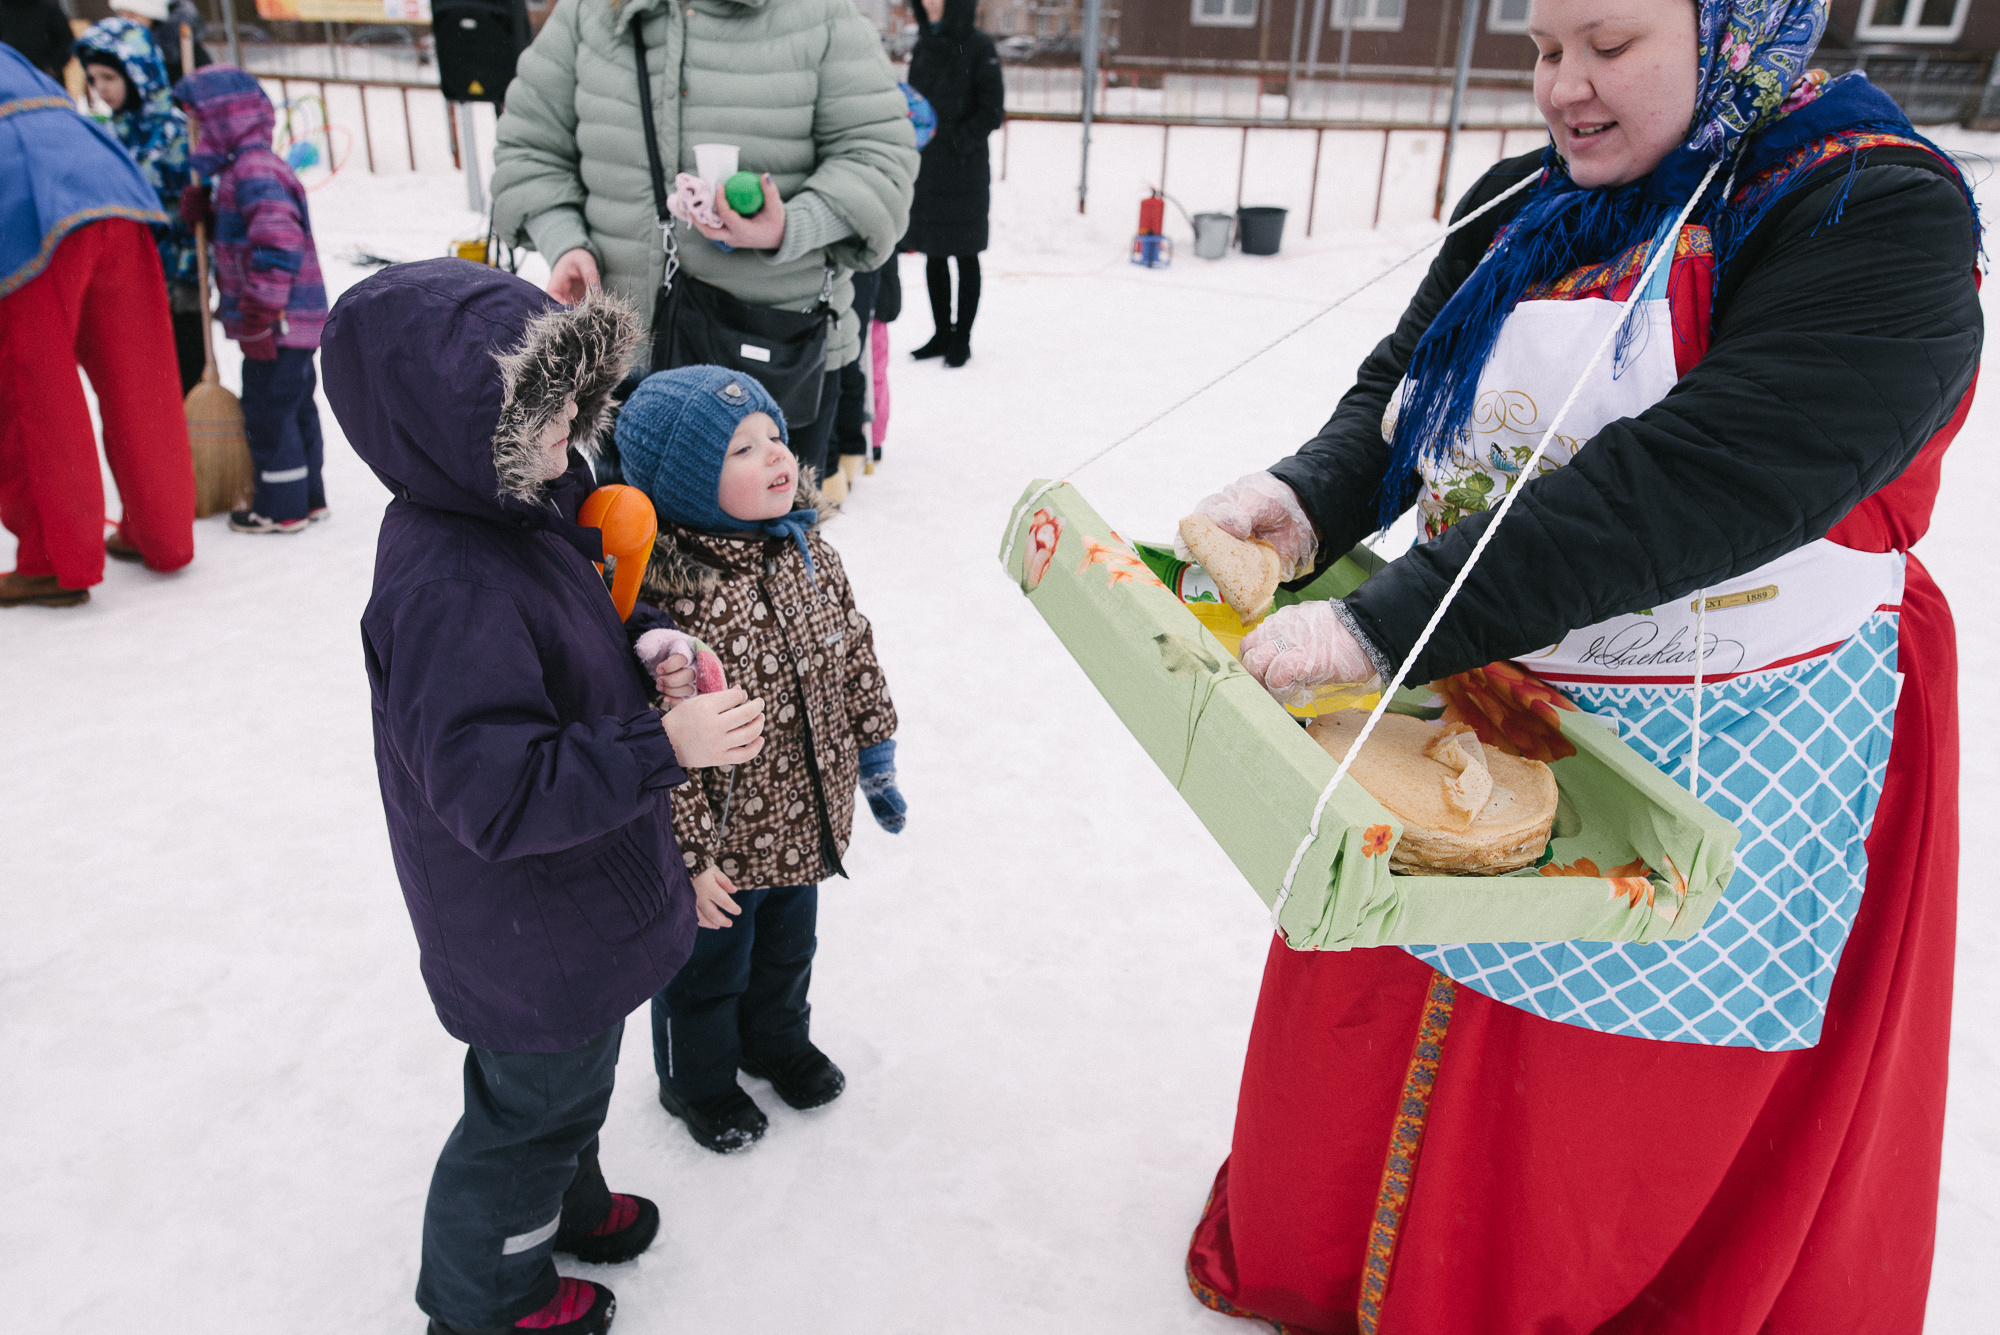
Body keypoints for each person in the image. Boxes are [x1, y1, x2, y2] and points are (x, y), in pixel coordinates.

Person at [1180, 1, 1979, 1330]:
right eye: (1545, 50)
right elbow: (1413, 386)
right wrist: (1315, 496)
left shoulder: (1871, 218)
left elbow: (1705, 473)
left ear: (1732, 29)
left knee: (1592, 1082)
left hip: (1740, 735)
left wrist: (1394, 619)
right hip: (1474, 689)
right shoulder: (1529, 202)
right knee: (1400, 984)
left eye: (1609, 47)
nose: (1564, 90)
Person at [322, 261, 769, 1335]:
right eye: (546, 408)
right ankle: (493, 1294)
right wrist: (663, 741)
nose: (575, 428)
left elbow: (571, 647)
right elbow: (497, 793)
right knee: (524, 1117)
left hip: (576, 908)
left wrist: (644, 648)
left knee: (566, 1089)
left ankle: (564, 1202)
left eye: (575, 400)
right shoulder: (447, 586)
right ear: (454, 424)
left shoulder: (521, 503)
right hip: (525, 928)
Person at [613, 365, 904, 1153]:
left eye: (775, 435)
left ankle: (774, 1040)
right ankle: (696, 1082)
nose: (777, 455)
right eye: (742, 449)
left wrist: (875, 748)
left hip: (805, 816)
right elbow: (657, 737)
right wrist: (688, 857)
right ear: (685, 482)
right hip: (723, 845)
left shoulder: (810, 554)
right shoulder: (669, 600)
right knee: (705, 975)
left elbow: (854, 653)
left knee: (787, 952)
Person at [489, 0, 919, 490]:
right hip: (620, 367)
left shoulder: (818, 14)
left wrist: (789, 226)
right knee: (620, 556)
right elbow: (529, 148)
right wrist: (565, 241)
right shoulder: (589, 12)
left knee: (755, 563)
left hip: (769, 359)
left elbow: (880, 160)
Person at [0, 42, 194, 607]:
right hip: (106, 178)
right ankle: (161, 534)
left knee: (31, 388)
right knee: (140, 374)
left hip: (21, 196)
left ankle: (55, 562)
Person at [174, 66, 329, 535]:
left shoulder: (253, 171)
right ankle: (308, 496)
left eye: (199, 121)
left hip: (277, 318)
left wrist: (261, 314)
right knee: (295, 402)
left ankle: (281, 506)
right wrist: (208, 209)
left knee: (267, 411)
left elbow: (277, 241)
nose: (193, 133)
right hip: (294, 316)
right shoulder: (245, 170)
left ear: (226, 120)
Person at [74, 18, 205, 397]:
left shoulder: (178, 132)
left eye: (109, 78)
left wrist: (200, 203)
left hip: (180, 282)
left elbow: (204, 201)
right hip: (125, 279)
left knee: (184, 378)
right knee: (141, 387)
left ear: (137, 72)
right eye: (94, 79)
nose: (101, 89)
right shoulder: (106, 134)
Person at [902, 0, 1003, 368]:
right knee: (934, 252)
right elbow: (916, 102)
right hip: (928, 168)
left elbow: (992, 109)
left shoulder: (979, 46)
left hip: (965, 167)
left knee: (965, 253)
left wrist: (957, 141)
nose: (930, 4)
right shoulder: (924, 45)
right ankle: (941, 332)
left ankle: (963, 338)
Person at [109, 0, 210, 86]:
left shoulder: (182, 48)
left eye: (132, 15)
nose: (126, 21)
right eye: (122, 14)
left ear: (152, 14)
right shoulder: (125, 49)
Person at [0, 0, 75, 82]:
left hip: (46, 79)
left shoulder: (47, 8)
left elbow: (66, 40)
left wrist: (53, 67)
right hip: (11, 78)